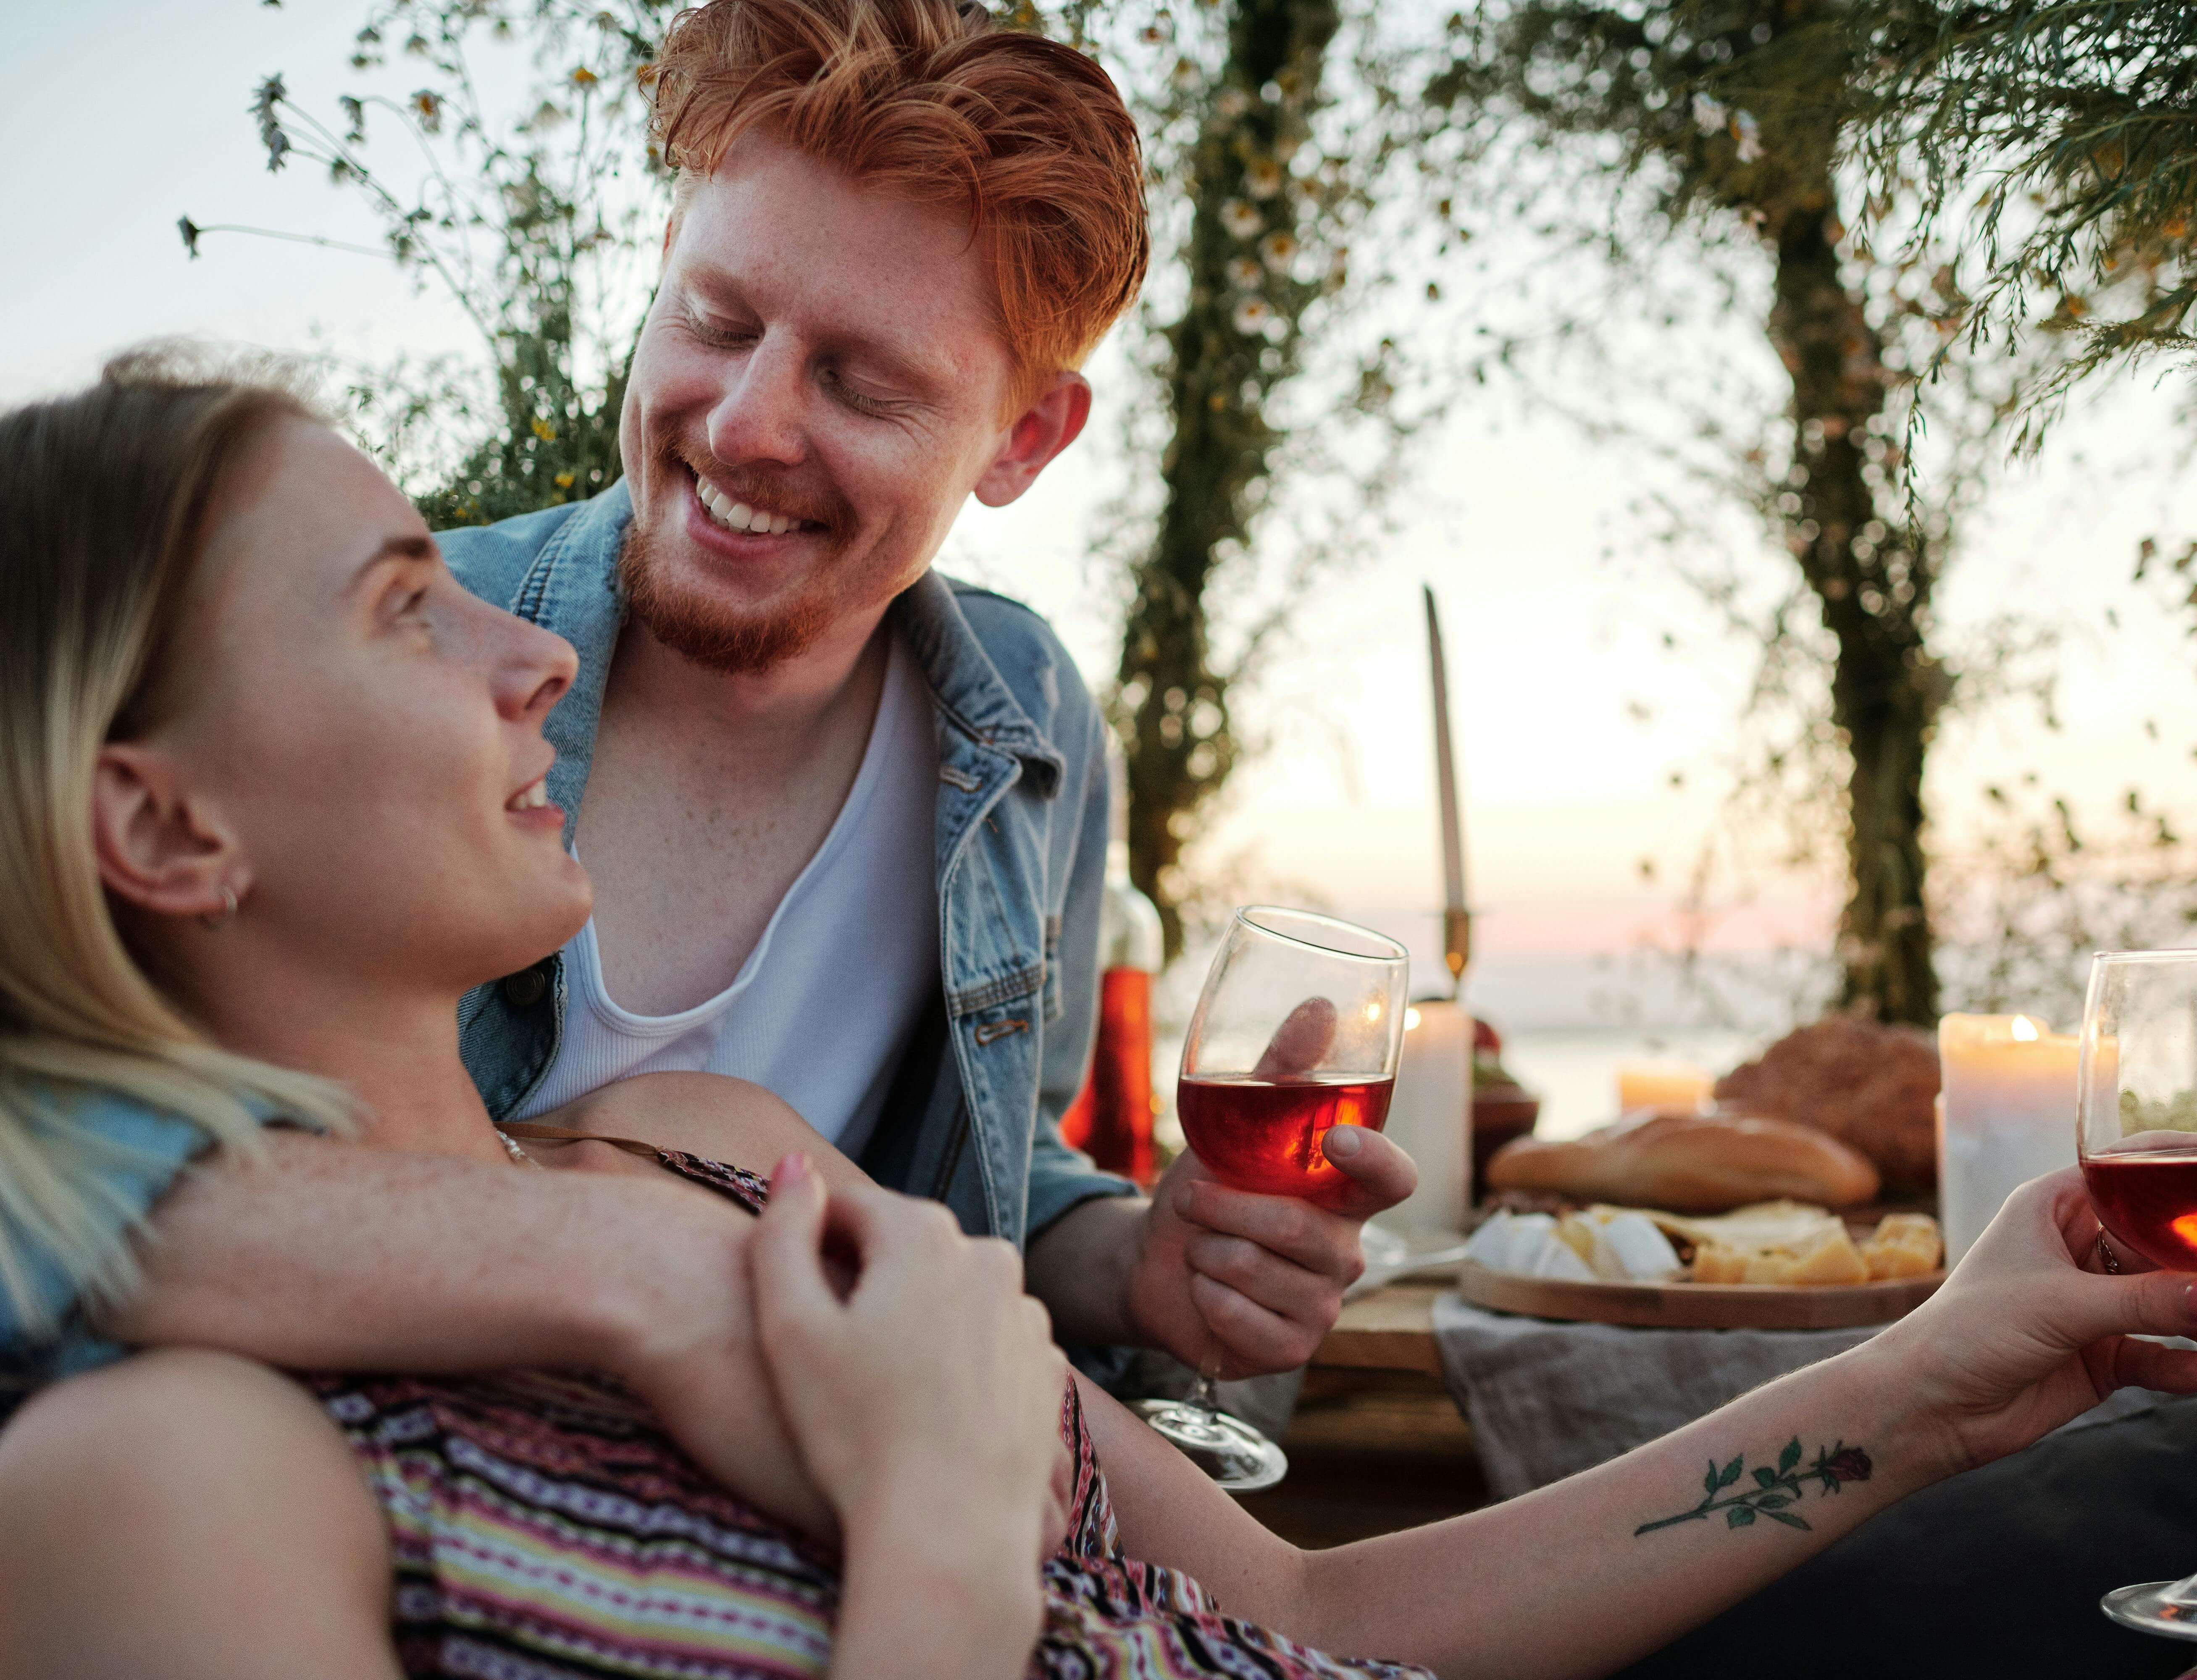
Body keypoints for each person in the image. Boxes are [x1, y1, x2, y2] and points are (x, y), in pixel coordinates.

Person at [0, 351, 2197, 1680]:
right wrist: (937, 1534)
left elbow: (1307, 1605)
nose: (535, 649)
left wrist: (1924, 1380)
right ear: (165, 828)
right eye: (410, 611)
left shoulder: (722, 1154)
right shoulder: (164, 1489)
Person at [0, 0, 1414, 1400]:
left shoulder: (1028, 721)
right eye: (717, 319)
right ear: (667, 262)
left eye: (861, 385)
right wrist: (617, 1260)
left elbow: (983, 1176)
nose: (745, 423)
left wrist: (1139, 1264)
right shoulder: (389, 673)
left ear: (1025, 437)